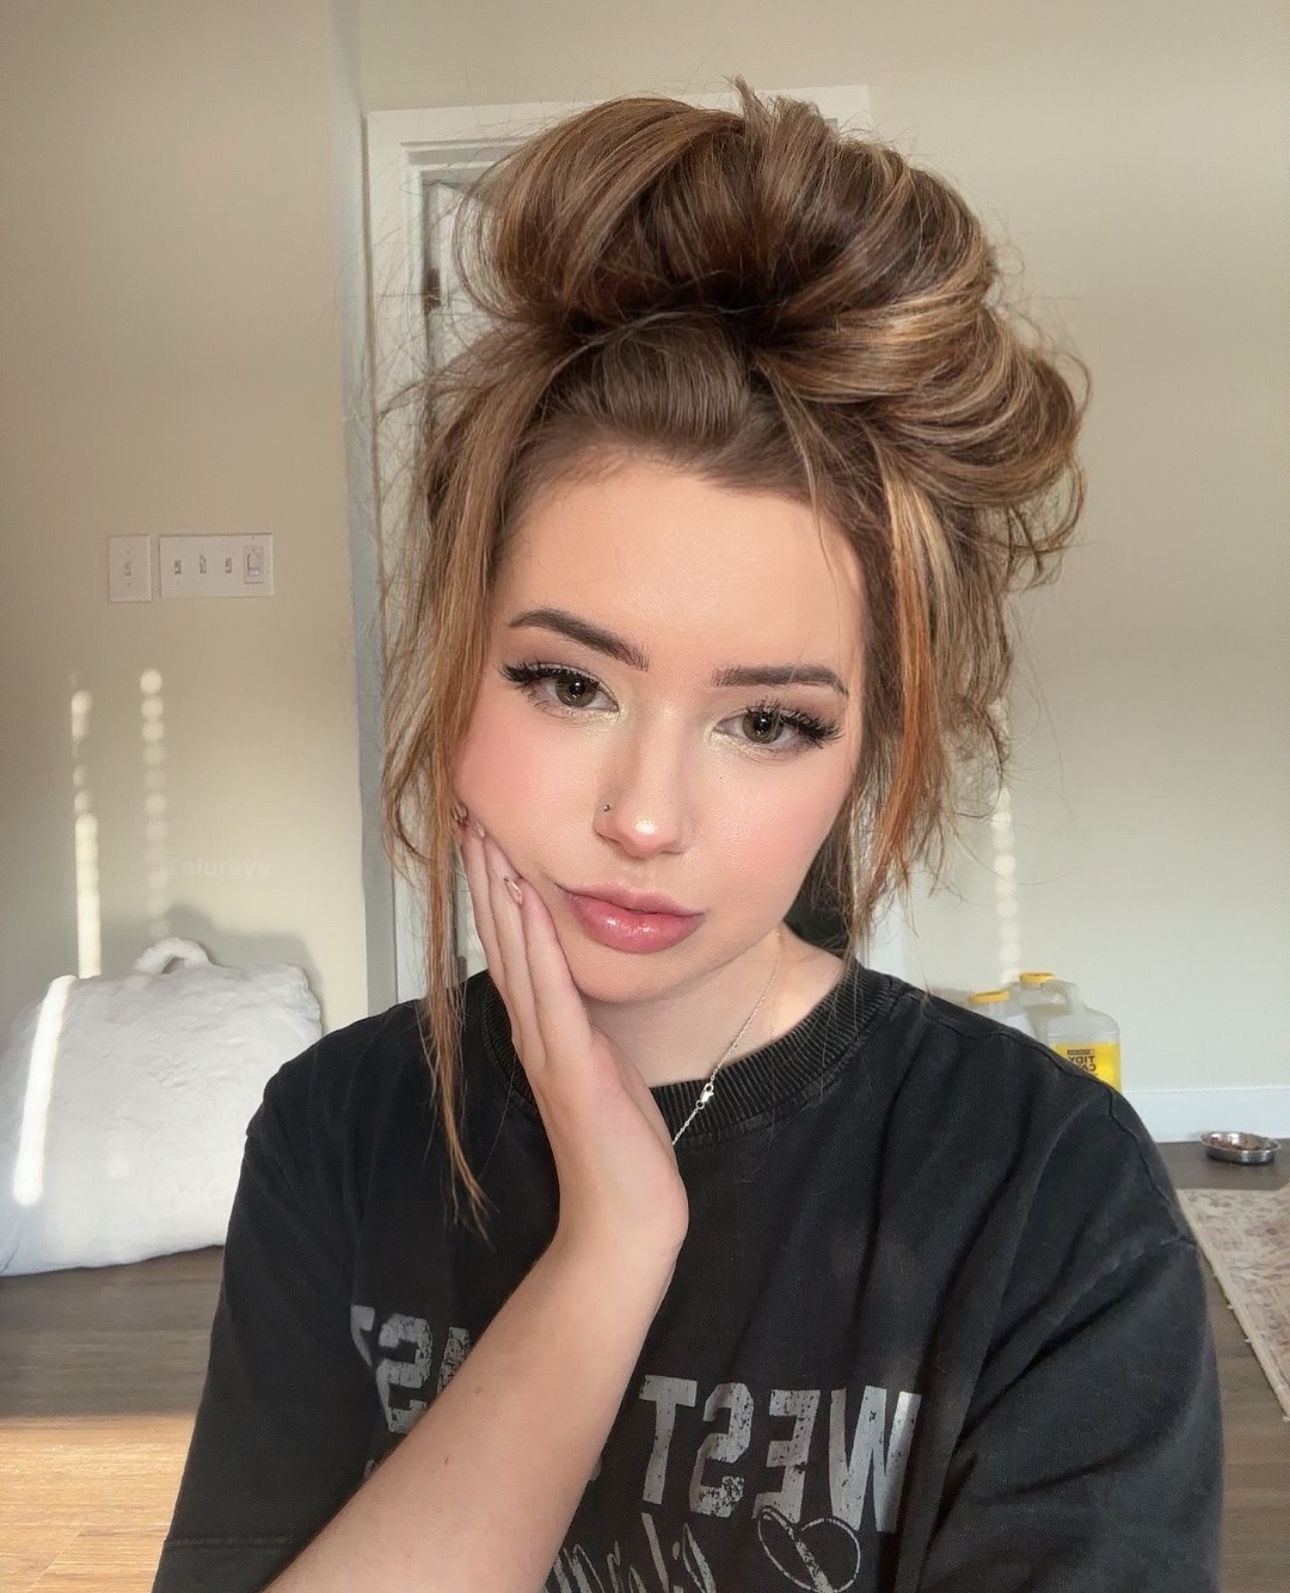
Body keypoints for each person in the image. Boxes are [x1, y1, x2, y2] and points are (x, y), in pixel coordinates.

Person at [151, 79, 1222, 1593]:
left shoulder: (1045, 1189)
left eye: (768, 719)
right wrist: (608, 1250)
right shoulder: (340, 1132)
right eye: (566, 681)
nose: (644, 815)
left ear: (871, 745)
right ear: (456, 665)